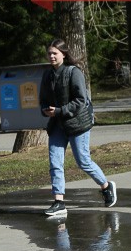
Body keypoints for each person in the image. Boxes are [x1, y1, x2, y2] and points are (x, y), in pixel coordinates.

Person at [39, 39, 117, 216]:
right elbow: (43, 99)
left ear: (63, 54)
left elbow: (81, 101)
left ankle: (106, 186)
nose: (51, 56)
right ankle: (59, 202)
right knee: (55, 162)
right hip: (57, 125)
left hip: (77, 124)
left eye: (54, 53)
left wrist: (59, 110)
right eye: (49, 53)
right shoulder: (47, 75)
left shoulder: (74, 73)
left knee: (83, 161)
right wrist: (45, 110)